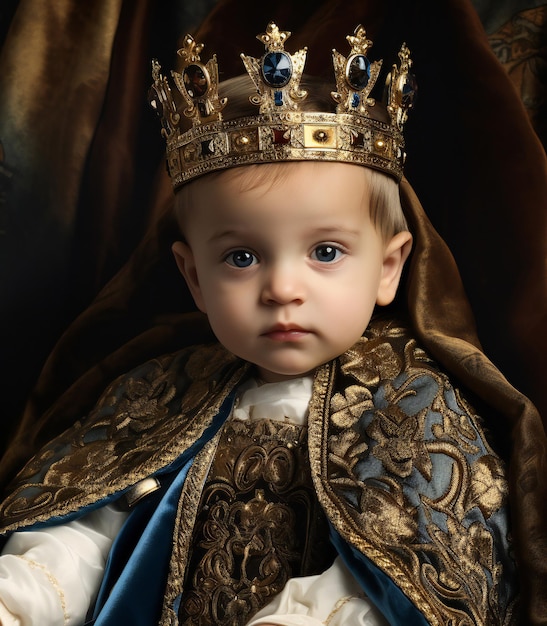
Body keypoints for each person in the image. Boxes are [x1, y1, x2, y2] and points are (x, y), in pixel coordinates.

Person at [0, 21, 532, 626]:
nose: (282, 289)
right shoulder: (158, 394)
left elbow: (404, 580)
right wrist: (21, 597)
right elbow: (90, 529)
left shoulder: (414, 408)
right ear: (194, 277)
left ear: (389, 269)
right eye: (241, 258)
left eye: (326, 252)